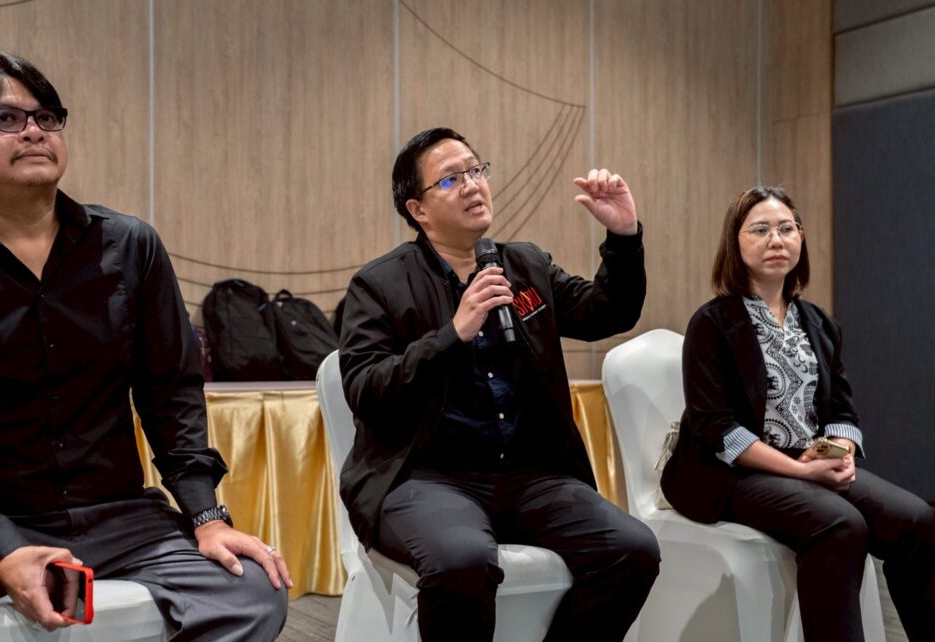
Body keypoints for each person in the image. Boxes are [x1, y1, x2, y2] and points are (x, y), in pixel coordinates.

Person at [0, 52, 290, 641]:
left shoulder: (129, 247)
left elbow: (172, 396)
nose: (34, 131)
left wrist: (207, 518)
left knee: (250, 590)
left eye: (46, 117)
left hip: (117, 520)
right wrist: (2, 547)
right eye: (7, 118)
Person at [338, 127, 660, 641]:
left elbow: (608, 312)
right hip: (427, 478)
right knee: (461, 561)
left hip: (533, 477)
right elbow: (365, 388)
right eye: (450, 179)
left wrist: (623, 237)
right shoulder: (381, 284)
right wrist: (452, 334)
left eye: (476, 170)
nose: (472, 185)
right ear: (418, 209)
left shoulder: (524, 265)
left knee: (632, 549)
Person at [661, 186, 935, 642]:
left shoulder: (819, 322)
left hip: (806, 461)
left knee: (918, 521)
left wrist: (840, 454)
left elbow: (841, 409)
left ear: (800, 238)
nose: (776, 240)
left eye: (786, 228)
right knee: (841, 524)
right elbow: (716, 428)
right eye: (760, 230)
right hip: (731, 473)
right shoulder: (711, 323)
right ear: (735, 242)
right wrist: (800, 472)